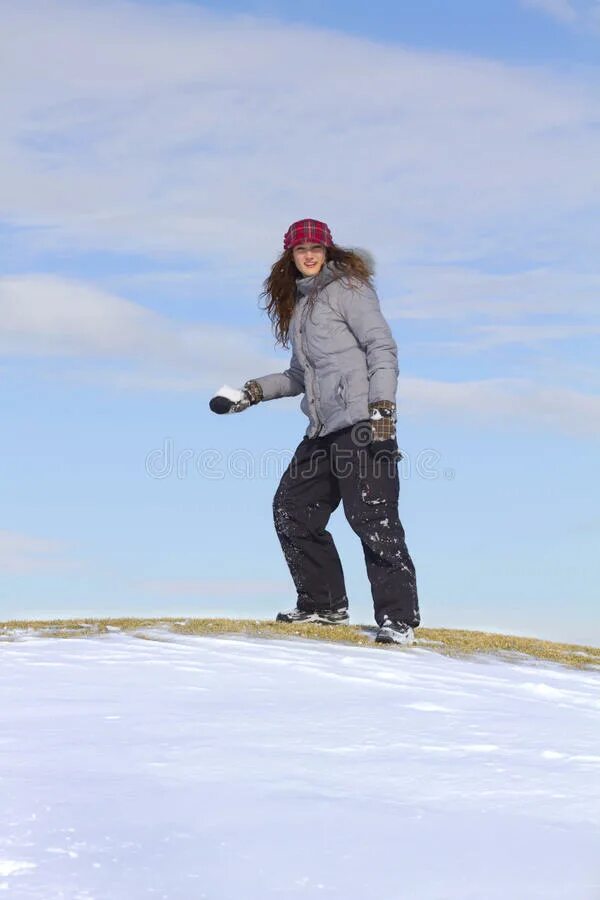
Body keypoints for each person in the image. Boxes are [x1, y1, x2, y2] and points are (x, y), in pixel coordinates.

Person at [209, 218, 420, 645]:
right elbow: (297, 376)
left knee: (373, 518)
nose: (309, 254)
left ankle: (398, 620)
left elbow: (382, 348)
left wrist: (383, 409)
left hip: (362, 424)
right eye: (300, 249)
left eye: (316, 248)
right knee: (292, 510)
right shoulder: (301, 308)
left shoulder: (350, 291)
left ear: (328, 251)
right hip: (322, 431)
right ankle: (323, 605)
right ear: (289, 255)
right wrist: (250, 393)